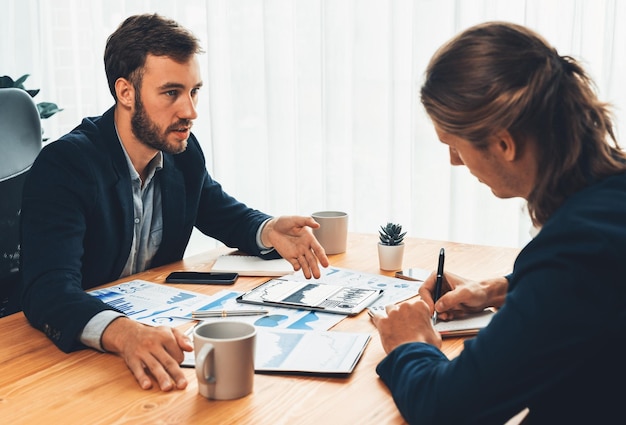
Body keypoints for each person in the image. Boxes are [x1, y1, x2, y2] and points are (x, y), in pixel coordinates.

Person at [19, 13, 329, 392]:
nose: (190, 111)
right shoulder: (67, 165)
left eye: (194, 91)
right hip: (71, 361)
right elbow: (47, 288)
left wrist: (267, 229)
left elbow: (218, 210)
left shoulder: (181, 152)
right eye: (171, 93)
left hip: (154, 346)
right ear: (126, 92)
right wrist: (124, 333)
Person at [370, 21, 626, 424]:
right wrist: (506, 288)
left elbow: (446, 409)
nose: (455, 162)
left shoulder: (578, 247)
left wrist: (409, 343)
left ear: (503, 143)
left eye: (454, 146)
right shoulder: (609, 201)